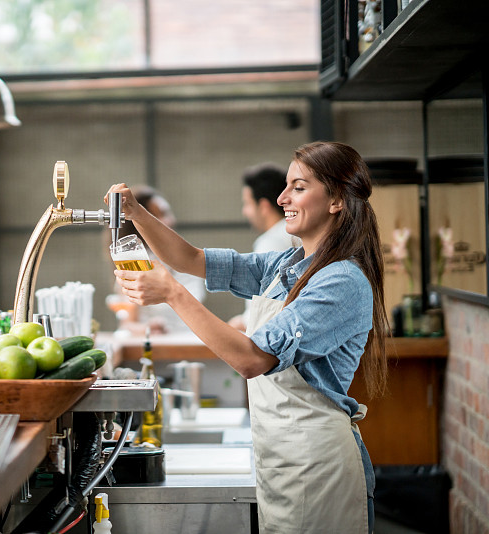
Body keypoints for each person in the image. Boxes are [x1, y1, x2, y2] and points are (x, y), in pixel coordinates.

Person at [105, 141, 388, 534]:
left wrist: (172, 294)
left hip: (318, 465)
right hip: (282, 460)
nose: (282, 198)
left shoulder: (341, 281)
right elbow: (192, 260)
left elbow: (252, 359)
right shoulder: (287, 264)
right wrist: (136, 214)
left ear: (337, 199)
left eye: (299, 187)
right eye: (286, 185)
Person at [108, 185, 206, 334]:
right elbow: (127, 324)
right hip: (157, 347)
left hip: (191, 341)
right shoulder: (134, 263)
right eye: (160, 214)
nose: (171, 220)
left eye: (167, 213)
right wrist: (148, 329)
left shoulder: (189, 258)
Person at [229, 163, 301, 331]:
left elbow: (268, 305)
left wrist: (242, 321)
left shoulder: (271, 241)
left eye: (247, 204)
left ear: (264, 206)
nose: (244, 212)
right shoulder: (299, 234)